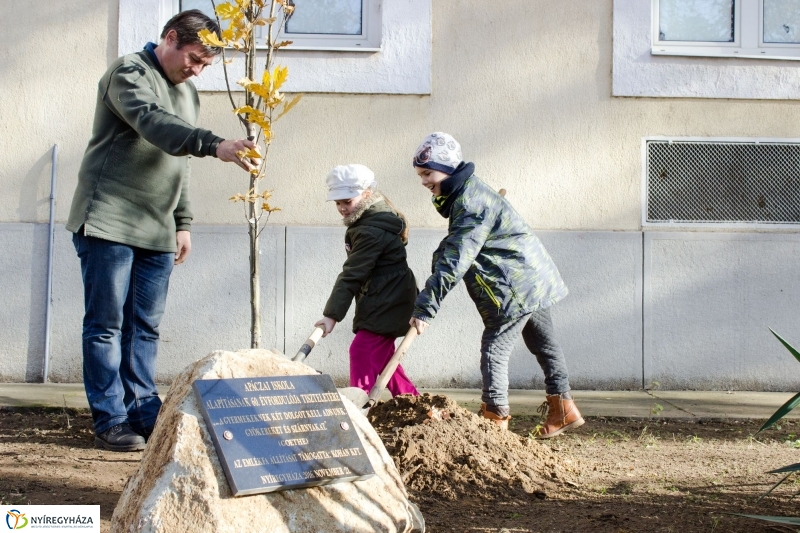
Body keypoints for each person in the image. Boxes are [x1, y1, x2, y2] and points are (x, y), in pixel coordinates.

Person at [66, 10, 259, 452]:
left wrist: (183, 222)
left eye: (206, 66)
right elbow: (154, 124)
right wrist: (215, 143)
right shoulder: (129, 73)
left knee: (145, 327)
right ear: (170, 38)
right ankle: (111, 418)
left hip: (156, 226)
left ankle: (143, 410)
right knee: (106, 326)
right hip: (109, 218)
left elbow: (178, 164)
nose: (197, 70)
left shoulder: (187, 93)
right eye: (194, 59)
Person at [408, 132, 584, 437]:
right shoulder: (469, 195)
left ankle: (495, 424)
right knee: (544, 345)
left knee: (494, 351)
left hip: (516, 286)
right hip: (533, 279)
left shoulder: (471, 202)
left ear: (447, 169)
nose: (423, 181)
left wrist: (426, 308)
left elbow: (456, 260)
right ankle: (563, 409)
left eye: (427, 173)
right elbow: (456, 246)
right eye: (420, 175)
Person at [314, 164, 420, 398]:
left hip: (388, 299)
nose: (342, 208)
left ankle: (358, 406)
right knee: (382, 358)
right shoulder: (370, 221)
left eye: (347, 201)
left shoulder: (371, 230)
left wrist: (332, 315)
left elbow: (352, 274)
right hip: (387, 295)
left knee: (361, 350)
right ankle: (414, 402)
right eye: (337, 203)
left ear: (367, 194)